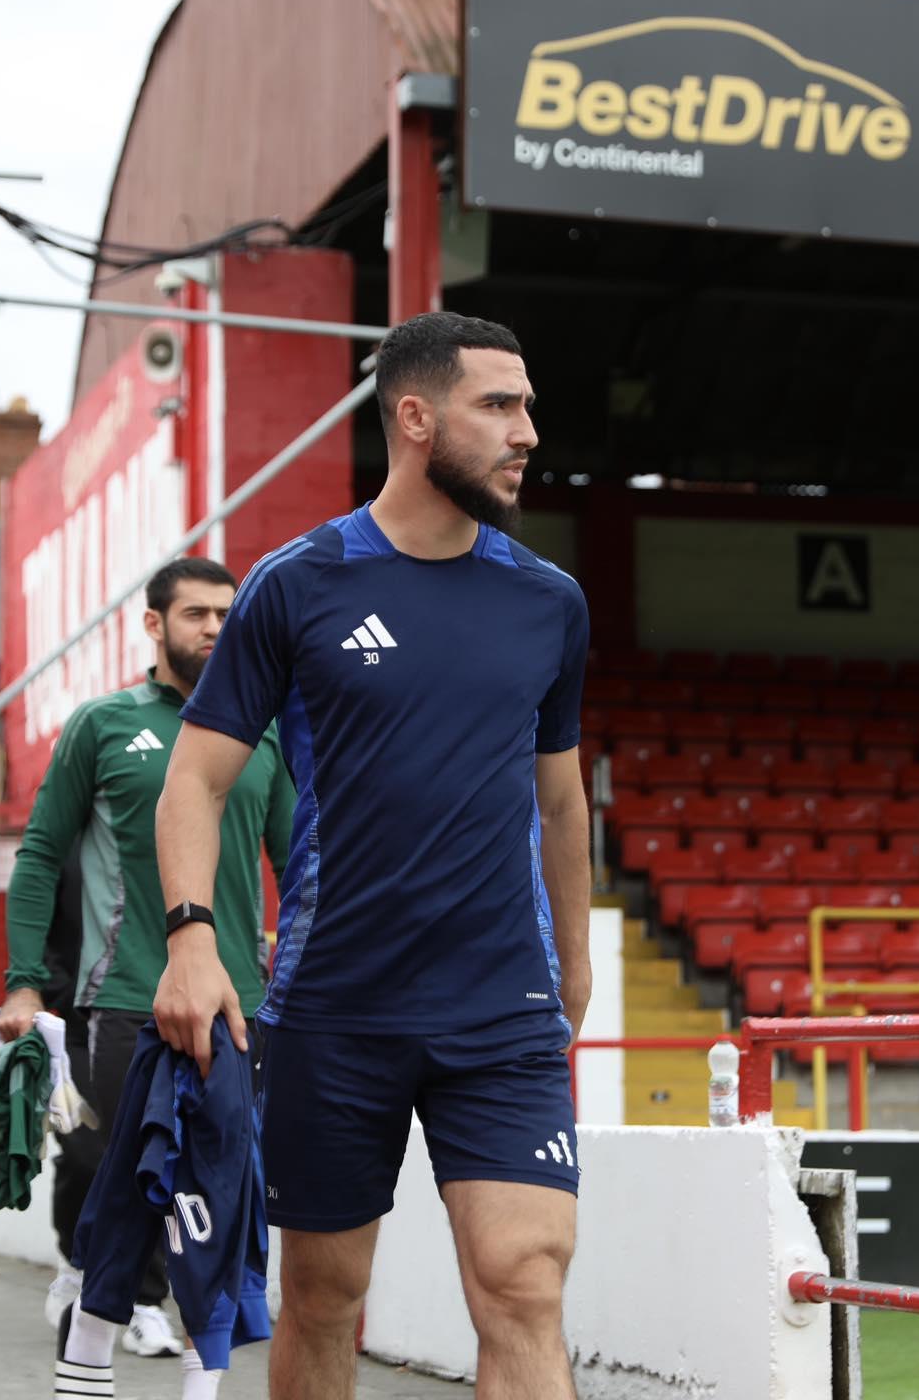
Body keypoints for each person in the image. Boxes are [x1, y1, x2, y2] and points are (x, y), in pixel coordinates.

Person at [152, 311, 592, 1400]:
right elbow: (196, 781)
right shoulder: (298, 584)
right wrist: (192, 940)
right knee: (323, 1295)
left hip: (501, 1010)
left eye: (528, 405)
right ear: (415, 417)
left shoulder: (549, 601)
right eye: (499, 405)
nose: (527, 431)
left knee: (524, 1284)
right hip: (336, 1005)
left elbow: (562, 802)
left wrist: (574, 965)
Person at [0, 556, 295, 1384]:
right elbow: (40, 855)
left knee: (217, 1172)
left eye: (227, 614)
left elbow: (297, 861)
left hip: (239, 998)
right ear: (156, 625)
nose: (215, 629)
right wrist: (24, 980)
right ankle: (99, 1286)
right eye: (197, 613)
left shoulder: (264, 732)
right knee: (110, 1159)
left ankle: (155, 1310)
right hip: (124, 991)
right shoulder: (102, 725)